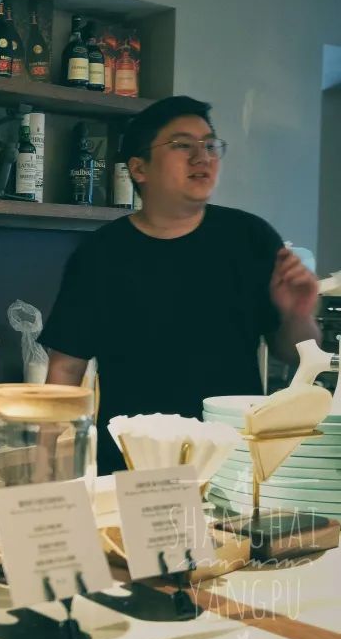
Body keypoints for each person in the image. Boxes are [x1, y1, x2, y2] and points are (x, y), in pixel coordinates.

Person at [40, 96, 321, 475]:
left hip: (234, 466)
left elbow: (295, 354)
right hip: (135, 469)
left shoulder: (249, 238)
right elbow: (65, 369)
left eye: (210, 145)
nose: (202, 157)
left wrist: (297, 314)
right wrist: (45, 471)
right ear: (139, 168)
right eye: (182, 145)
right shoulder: (101, 254)